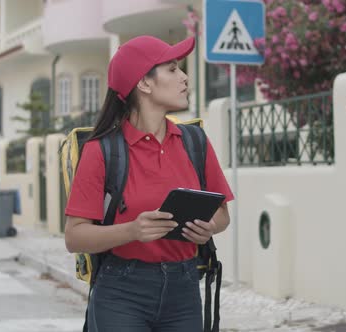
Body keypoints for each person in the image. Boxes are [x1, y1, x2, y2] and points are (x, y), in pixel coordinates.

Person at [64, 35, 234, 332]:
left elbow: (222, 215)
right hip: (121, 293)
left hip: (184, 290)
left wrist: (208, 229)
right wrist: (132, 231)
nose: (184, 78)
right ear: (143, 83)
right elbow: (74, 237)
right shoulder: (101, 150)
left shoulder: (195, 141)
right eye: (172, 69)